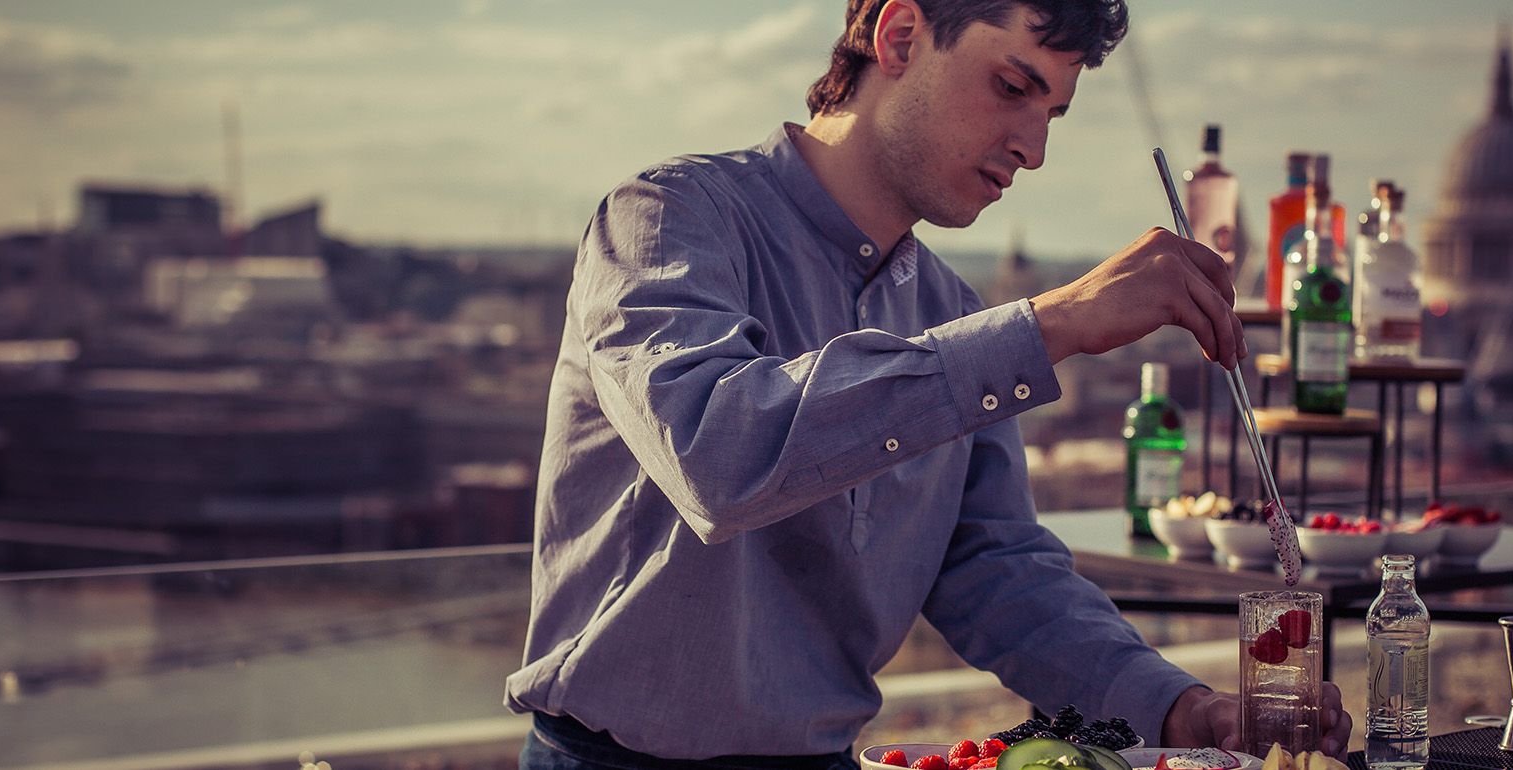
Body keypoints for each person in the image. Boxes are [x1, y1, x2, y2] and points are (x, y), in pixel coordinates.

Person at [507, 1, 1352, 767]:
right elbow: (715, 454)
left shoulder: (951, 309)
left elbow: (995, 570)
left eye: (1052, 113)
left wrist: (1179, 706)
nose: (1035, 149)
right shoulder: (667, 218)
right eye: (1012, 86)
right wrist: (1050, 324)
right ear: (900, 36)